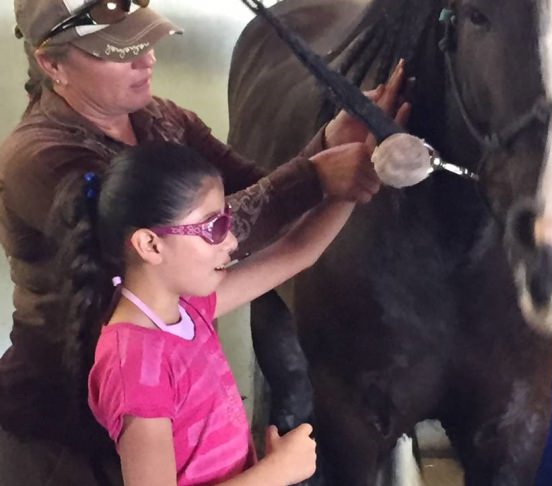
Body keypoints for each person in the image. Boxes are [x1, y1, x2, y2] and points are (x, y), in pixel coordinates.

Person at [0, 0, 408, 484]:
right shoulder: (39, 160)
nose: (147, 59)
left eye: (145, 41)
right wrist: (316, 179)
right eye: (120, 51)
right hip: (67, 432)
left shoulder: (160, 124)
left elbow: (265, 211)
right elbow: (251, 215)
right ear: (51, 64)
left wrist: (335, 153)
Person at [55, 141, 353, 485]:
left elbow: (295, 253)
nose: (230, 242)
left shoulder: (186, 307)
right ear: (150, 245)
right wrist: (276, 472)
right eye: (212, 227)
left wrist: (354, 186)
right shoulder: (135, 367)